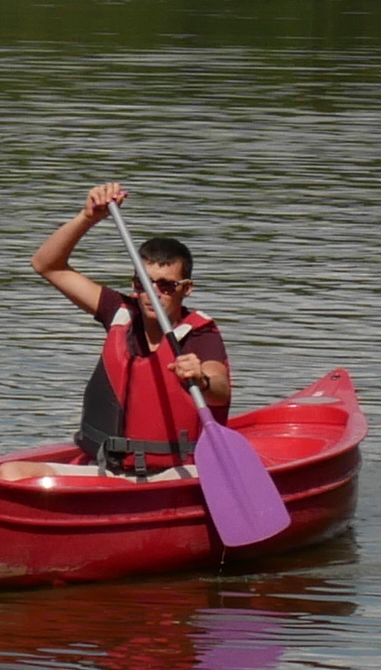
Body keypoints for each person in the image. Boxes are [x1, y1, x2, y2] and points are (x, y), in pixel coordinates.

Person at [33, 181, 232, 468]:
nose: (153, 293)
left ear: (186, 289)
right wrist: (87, 218)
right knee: (12, 472)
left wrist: (200, 379)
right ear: (134, 284)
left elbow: (220, 387)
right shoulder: (119, 311)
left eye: (166, 285)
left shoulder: (199, 334)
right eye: (144, 283)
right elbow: (46, 265)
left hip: (172, 473)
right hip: (108, 466)